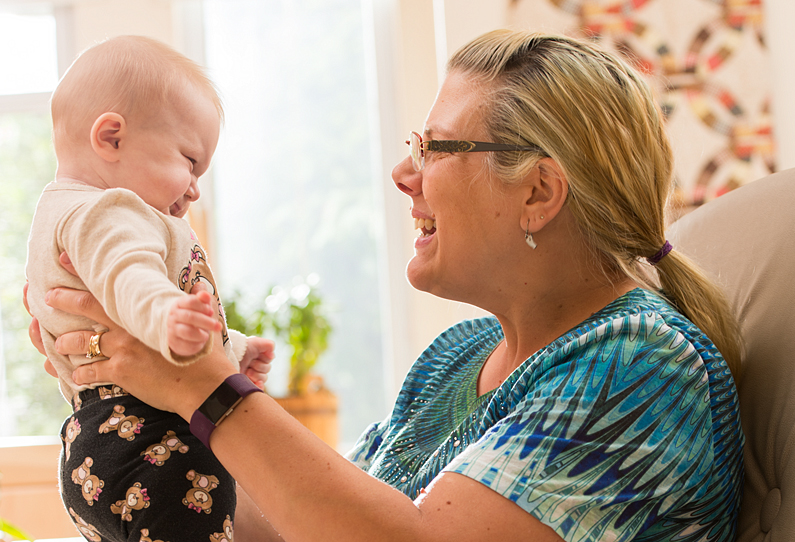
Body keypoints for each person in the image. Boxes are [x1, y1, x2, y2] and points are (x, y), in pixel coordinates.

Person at [30, 30, 744, 541]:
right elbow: (294, 528)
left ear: (538, 191)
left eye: (433, 148)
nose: (404, 174)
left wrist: (205, 388)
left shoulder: (641, 363)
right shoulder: (452, 360)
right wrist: (135, 415)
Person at [25, 36, 273, 541]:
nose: (195, 185)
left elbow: (125, 311)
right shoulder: (109, 210)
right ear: (111, 138)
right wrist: (168, 318)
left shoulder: (73, 211)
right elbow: (130, 281)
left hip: (106, 447)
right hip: (150, 441)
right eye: (189, 160)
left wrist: (231, 351)